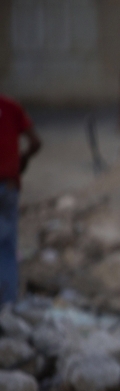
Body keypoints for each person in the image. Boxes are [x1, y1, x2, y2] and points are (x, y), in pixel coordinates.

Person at [0, 95, 41, 307]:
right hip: (8, 185)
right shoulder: (10, 107)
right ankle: (7, 304)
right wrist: (21, 160)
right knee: (6, 247)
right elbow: (36, 142)